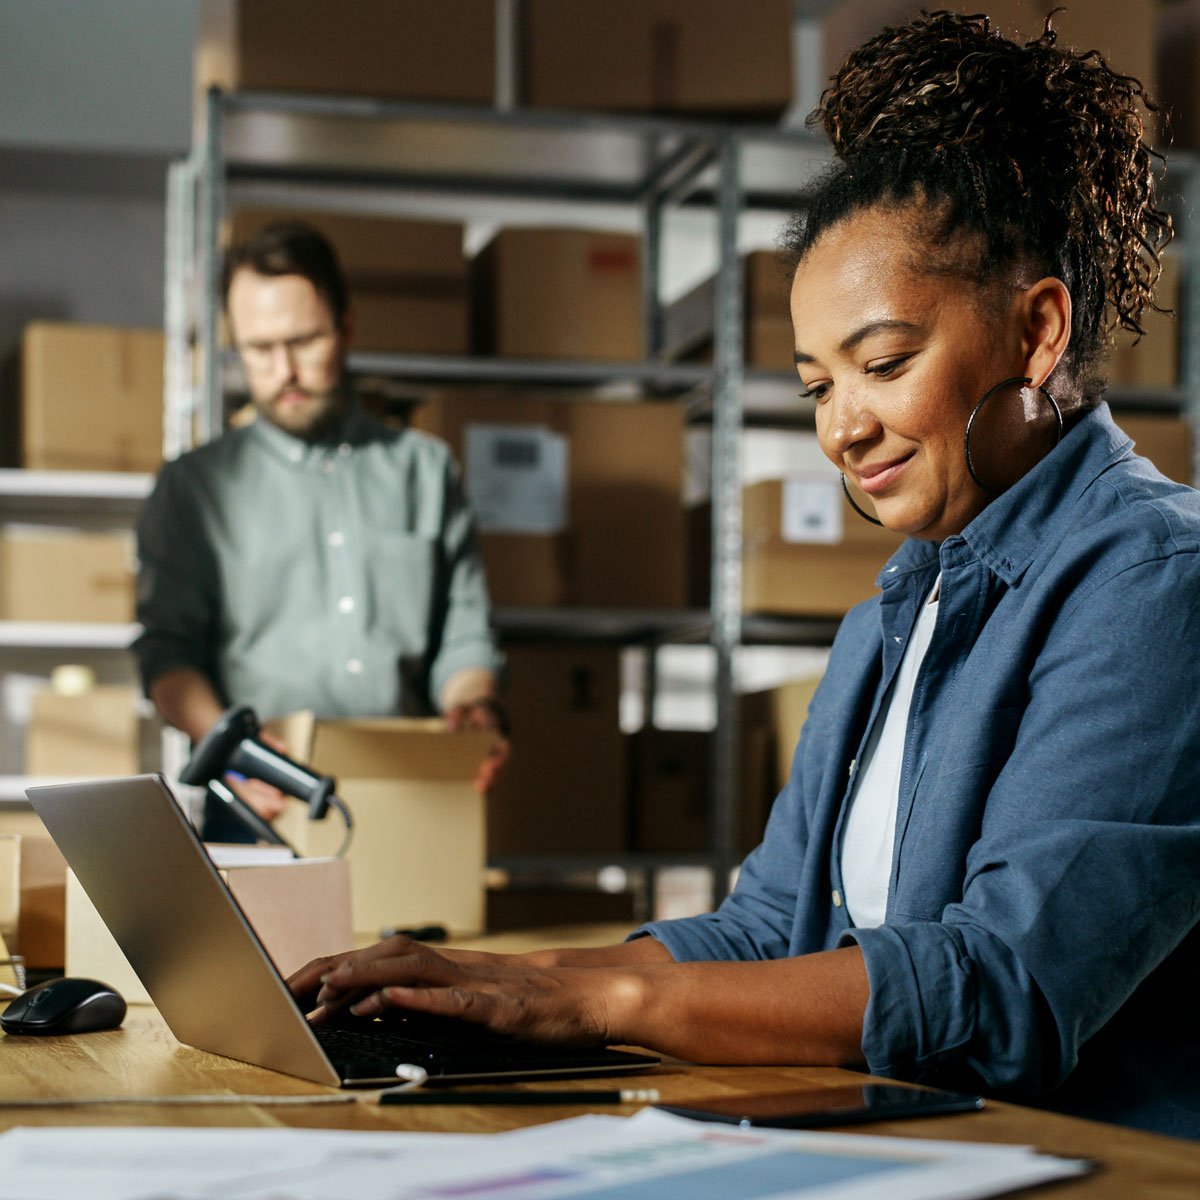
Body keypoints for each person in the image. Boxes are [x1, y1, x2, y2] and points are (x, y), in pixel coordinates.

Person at [288, 13, 1200, 1138]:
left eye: (882, 363)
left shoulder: (1159, 583)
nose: (843, 428)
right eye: (818, 386)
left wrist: (594, 996)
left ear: (1039, 329)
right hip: (918, 1146)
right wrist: (486, 980)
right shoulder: (898, 609)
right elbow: (771, 927)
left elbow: (1003, 985)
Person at [135, 221, 507, 834]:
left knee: (421, 934)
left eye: (303, 341)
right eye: (258, 349)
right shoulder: (192, 488)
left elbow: (465, 636)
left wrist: (473, 706)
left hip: (411, 803)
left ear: (347, 327)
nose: (284, 370)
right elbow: (167, 656)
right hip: (262, 805)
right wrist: (232, 748)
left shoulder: (425, 469)